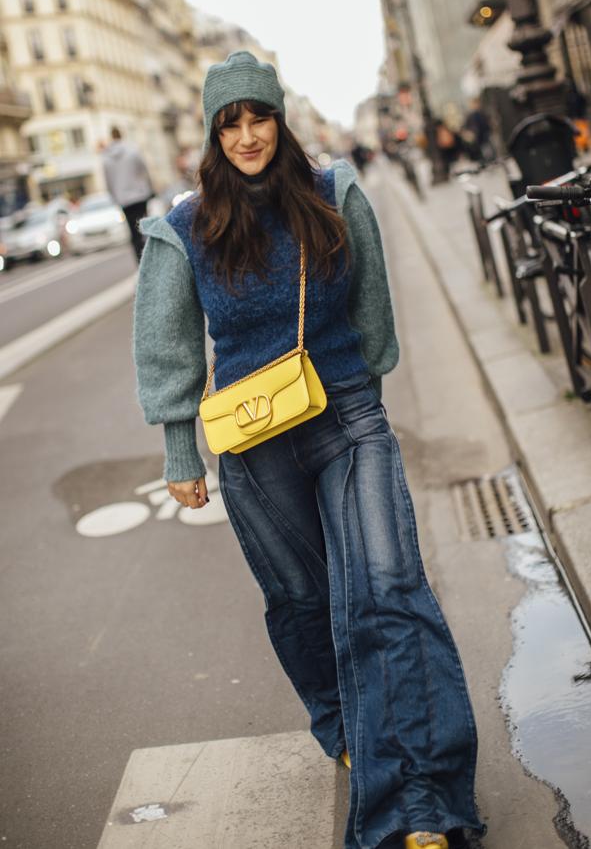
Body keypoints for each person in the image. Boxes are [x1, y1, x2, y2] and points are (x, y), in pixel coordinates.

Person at [132, 50, 486, 849]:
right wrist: (180, 449)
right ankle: (344, 720)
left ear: (280, 119)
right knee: (301, 603)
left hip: (346, 417)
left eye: (258, 117)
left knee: (386, 590)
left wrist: (366, 406)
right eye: (231, 124)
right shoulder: (184, 226)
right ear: (213, 134)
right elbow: (170, 347)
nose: (248, 135)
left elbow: (372, 313)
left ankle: (417, 801)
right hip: (253, 445)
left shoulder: (334, 195)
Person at [101, 126, 154, 263]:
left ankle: (140, 261)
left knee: (133, 233)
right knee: (145, 228)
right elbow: (144, 170)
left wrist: (115, 197)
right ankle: (152, 258)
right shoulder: (132, 151)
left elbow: (108, 182)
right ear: (122, 134)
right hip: (140, 195)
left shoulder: (106, 158)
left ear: (111, 137)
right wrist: (149, 187)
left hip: (124, 199)